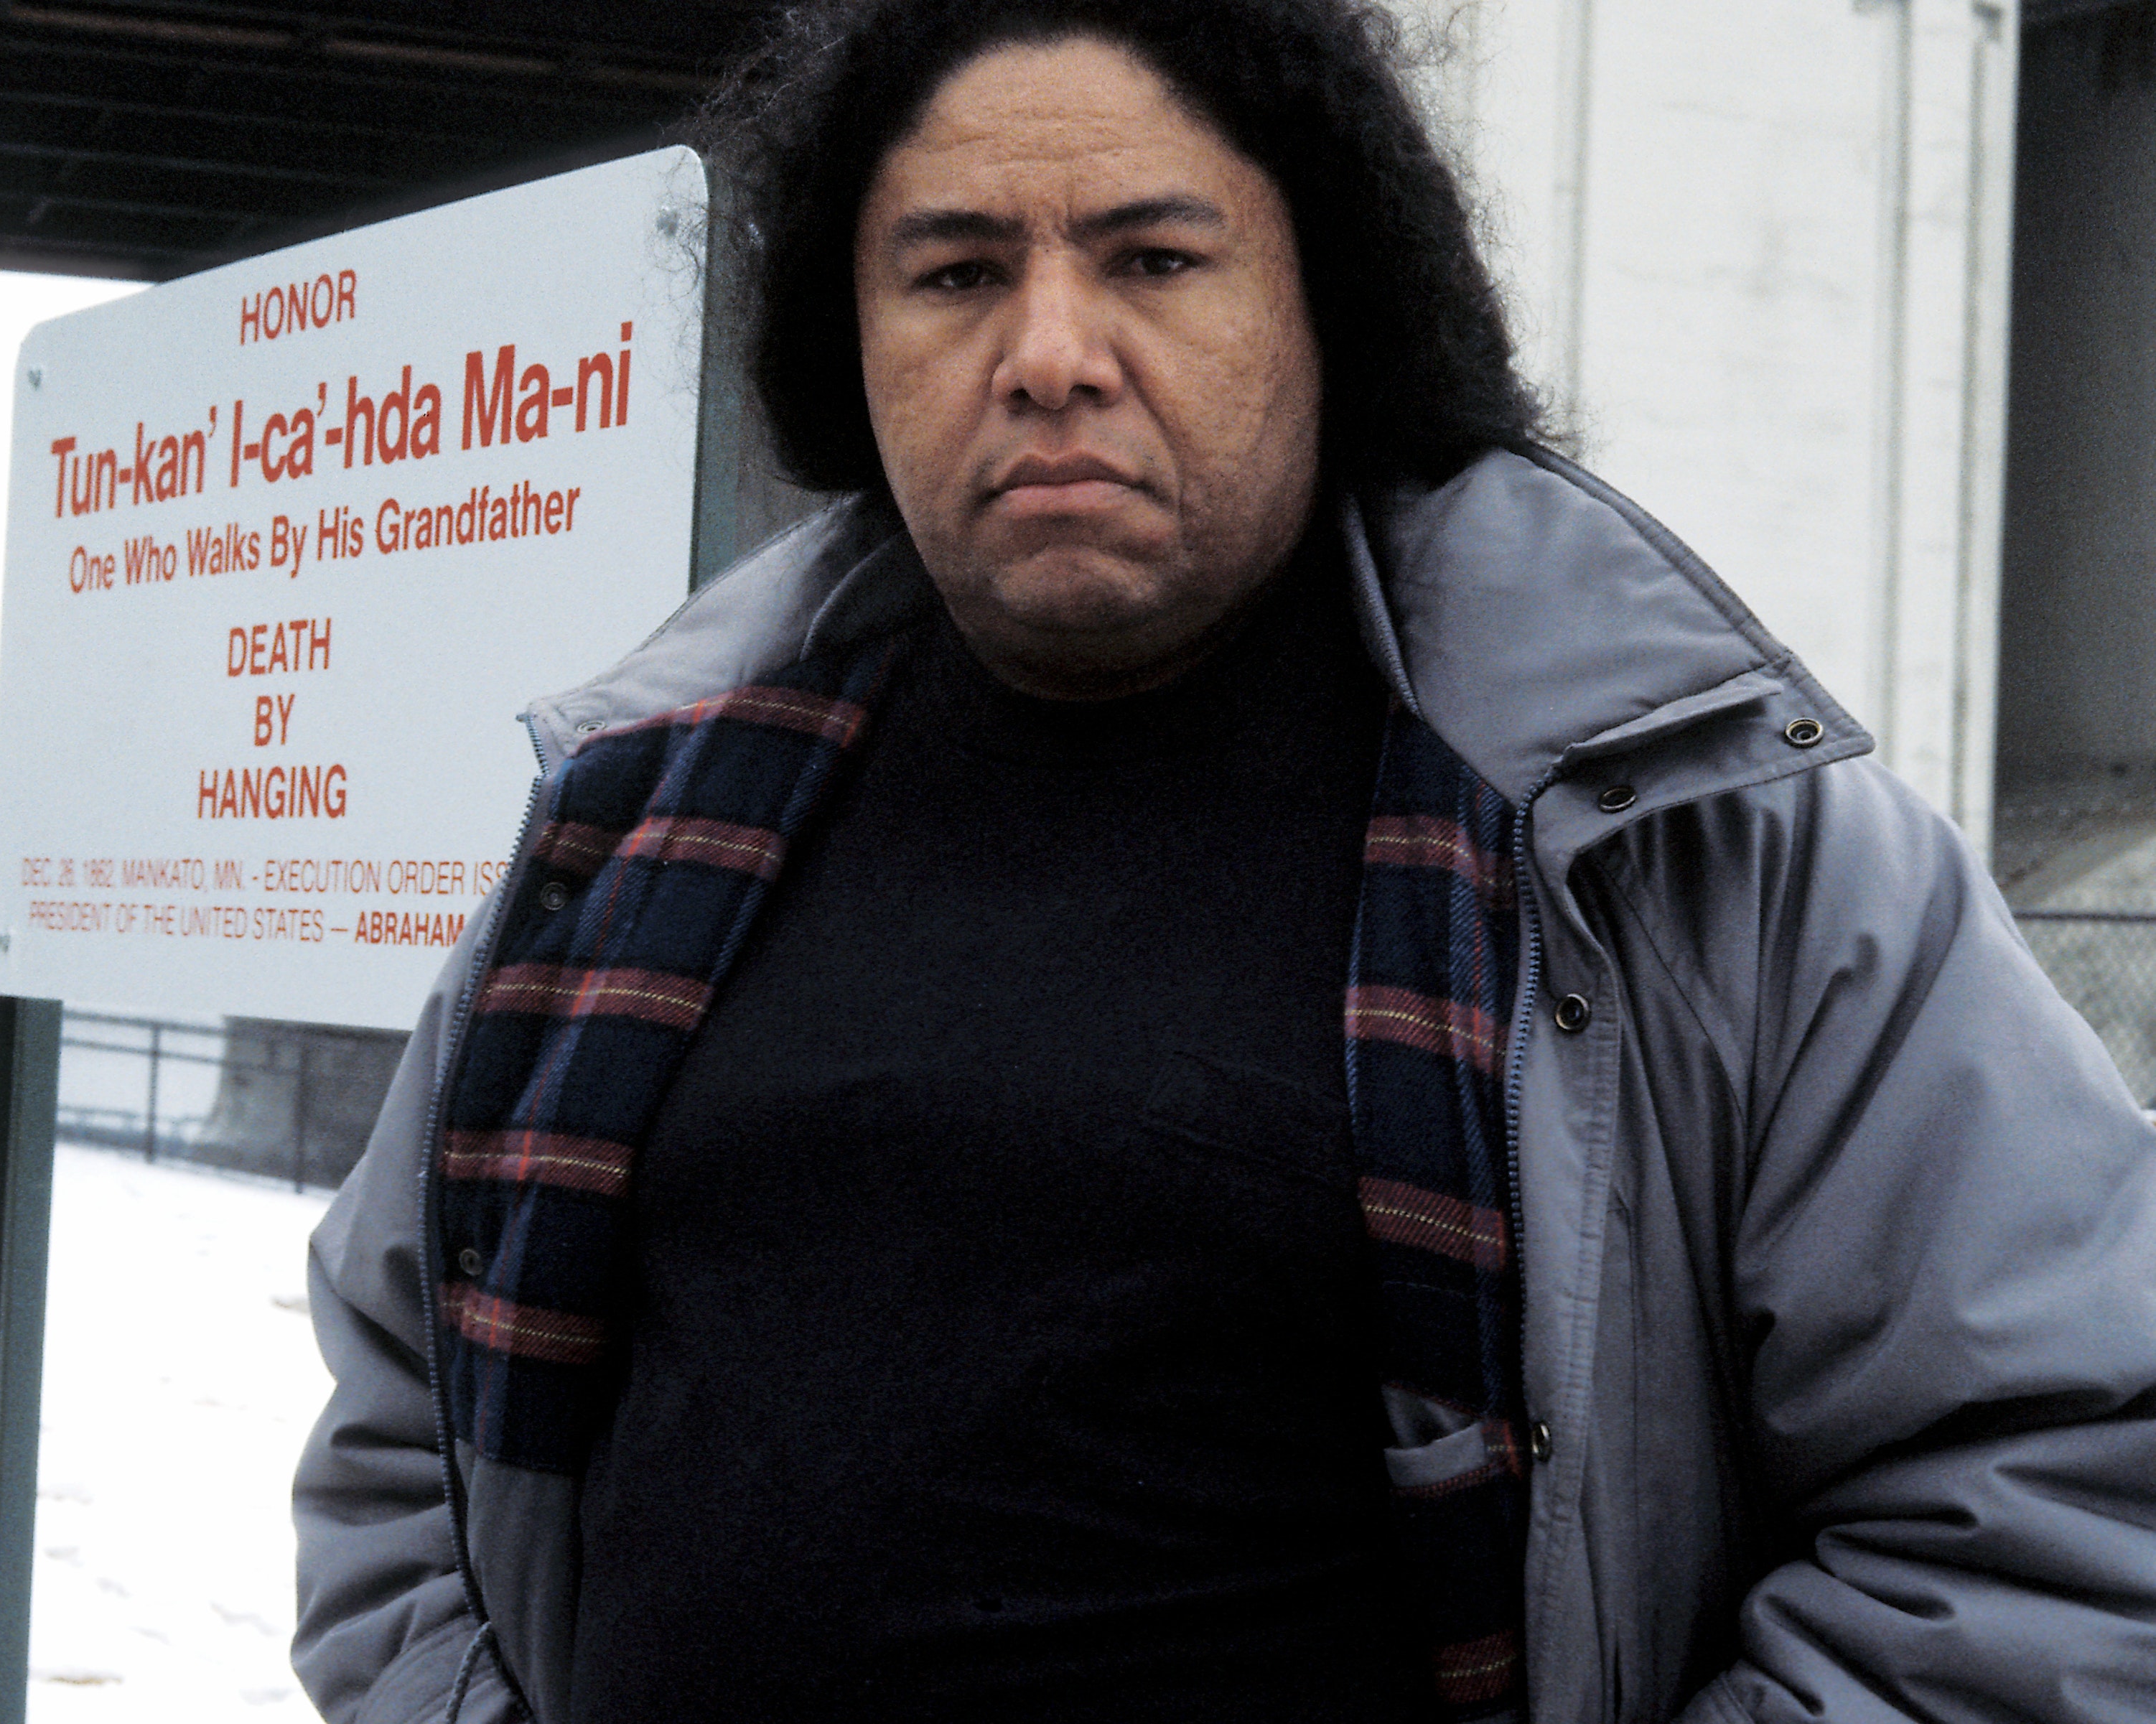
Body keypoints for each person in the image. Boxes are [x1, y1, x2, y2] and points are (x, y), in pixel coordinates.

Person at [291, 2, 2156, 1720]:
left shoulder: (1682, 840)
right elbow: (403, 1445)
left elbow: (2053, 1489)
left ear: (1329, 306)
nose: (1044, 357)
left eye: (1154, 259)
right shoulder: (623, 821)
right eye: (950, 272)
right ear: (843, 345)